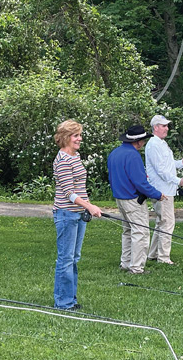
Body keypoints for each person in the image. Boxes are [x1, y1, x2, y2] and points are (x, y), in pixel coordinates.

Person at [51, 120, 102, 310]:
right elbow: (69, 193)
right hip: (66, 215)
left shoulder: (75, 156)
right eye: (75, 135)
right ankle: (63, 303)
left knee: (74, 258)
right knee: (65, 259)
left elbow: (79, 188)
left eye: (80, 135)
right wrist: (89, 206)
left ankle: (70, 299)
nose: (79, 139)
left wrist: (87, 207)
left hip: (78, 215)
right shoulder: (63, 160)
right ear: (65, 137)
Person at [107, 125, 166, 274]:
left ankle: (126, 263)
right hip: (133, 199)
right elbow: (140, 182)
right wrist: (157, 194)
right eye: (143, 140)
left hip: (119, 198)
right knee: (141, 232)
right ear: (138, 141)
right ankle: (137, 267)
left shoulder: (114, 153)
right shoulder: (133, 155)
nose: (144, 143)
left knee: (128, 231)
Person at [144, 115, 183, 265]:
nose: (167, 128)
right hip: (161, 191)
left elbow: (168, 164)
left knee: (161, 222)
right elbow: (161, 170)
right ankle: (163, 258)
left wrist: (181, 163)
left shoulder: (161, 144)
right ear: (156, 127)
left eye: (167, 126)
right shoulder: (153, 145)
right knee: (167, 222)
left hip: (167, 189)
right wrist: (179, 181)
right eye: (164, 126)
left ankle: (153, 254)